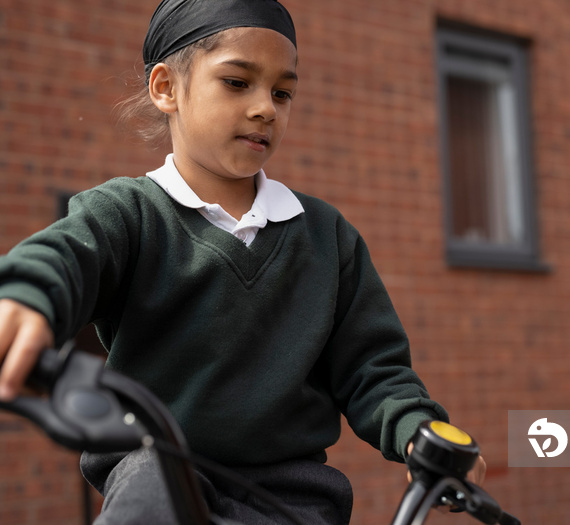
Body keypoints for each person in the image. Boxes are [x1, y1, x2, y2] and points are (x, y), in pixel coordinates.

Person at [0, 0, 485, 523]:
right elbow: (67, 255)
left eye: (282, 92)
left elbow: (374, 368)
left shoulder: (327, 236)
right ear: (166, 88)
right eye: (237, 82)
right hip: (158, 478)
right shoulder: (127, 214)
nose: (266, 108)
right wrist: (28, 296)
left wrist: (416, 427)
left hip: (294, 497)